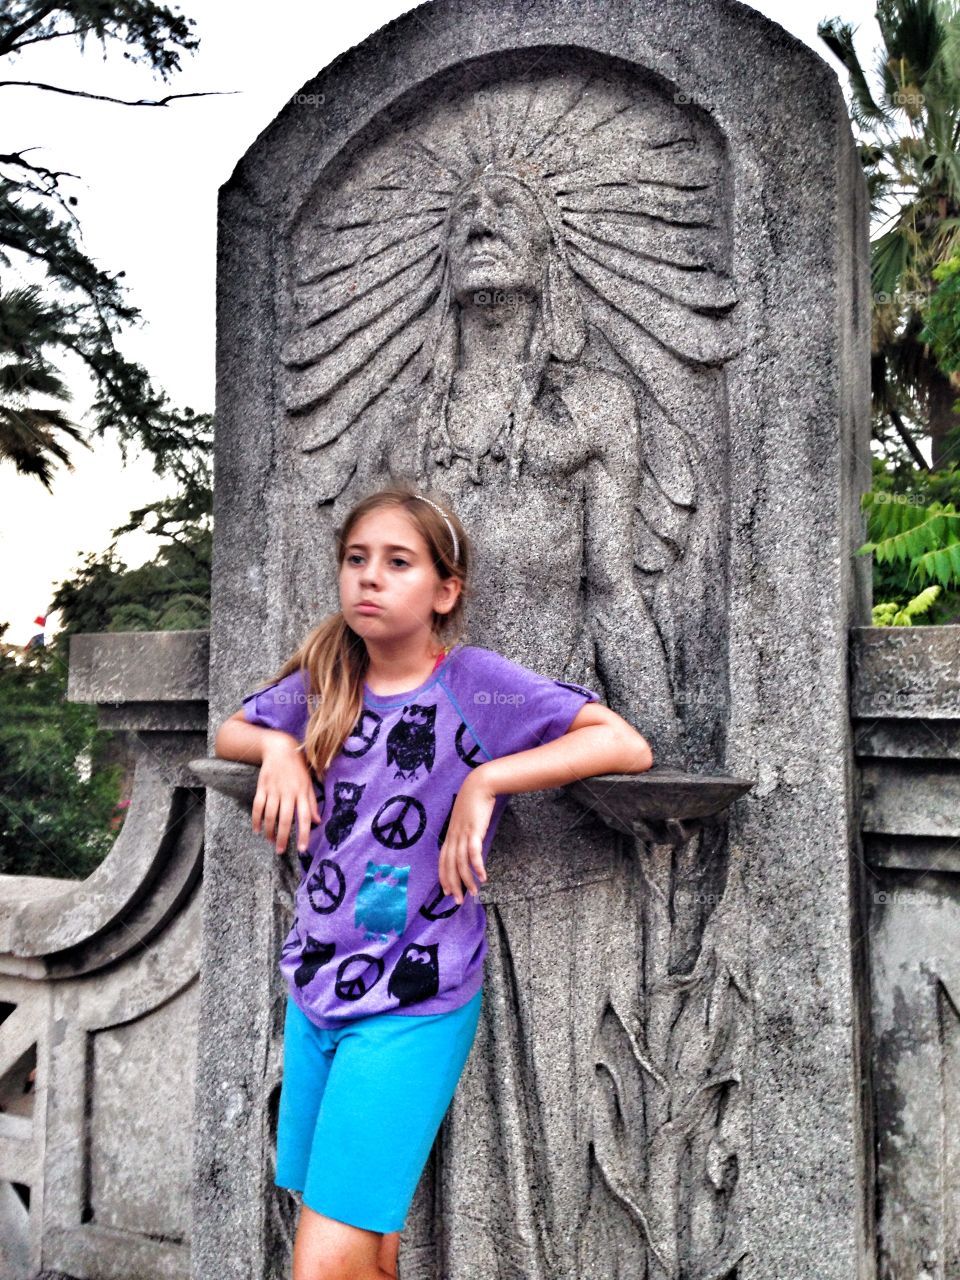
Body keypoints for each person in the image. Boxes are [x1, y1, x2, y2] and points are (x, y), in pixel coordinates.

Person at [213, 483, 654, 1280]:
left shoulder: (474, 684)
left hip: (412, 1001)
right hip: (315, 991)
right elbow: (231, 729)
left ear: (445, 591)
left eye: (397, 563)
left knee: (322, 1265)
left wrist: (487, 783)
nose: (369, 579)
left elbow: (622, 743)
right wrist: (278, 749)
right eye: (356, 560)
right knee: (368, 1252)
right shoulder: (327, 681)